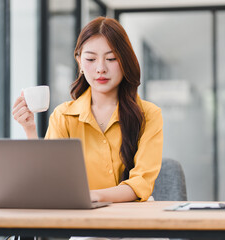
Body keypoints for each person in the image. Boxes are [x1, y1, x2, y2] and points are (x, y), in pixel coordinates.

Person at [12, 16, 163, 203]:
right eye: (91, 59)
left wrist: (93, 196)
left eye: (111, 58)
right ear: (79, 62)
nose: (101, 68)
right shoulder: (63, 116)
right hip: (85, 221)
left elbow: (141, 183)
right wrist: (30, 130)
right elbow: (48, 181)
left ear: (125, 61)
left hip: (135, 220)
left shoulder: (149, 114)